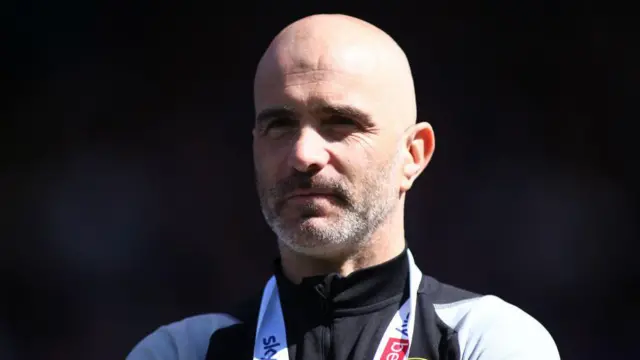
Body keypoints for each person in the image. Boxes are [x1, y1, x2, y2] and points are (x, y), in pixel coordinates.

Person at [127, 14, 560, 360]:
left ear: (413, 155)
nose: (303, 154)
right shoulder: (181, 351)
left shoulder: (488, 342)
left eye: (340, 123)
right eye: (280, 125)